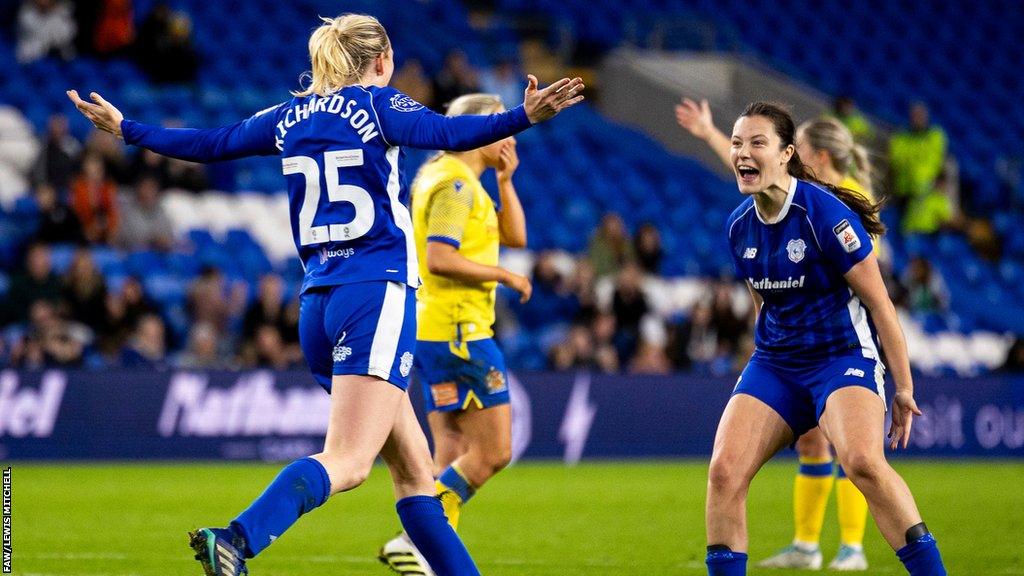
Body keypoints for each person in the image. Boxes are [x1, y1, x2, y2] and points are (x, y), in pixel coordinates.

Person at [69, 12, 583, 576]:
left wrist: (128, 129)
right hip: (375, 293)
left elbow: (209, 143)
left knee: (415, 477)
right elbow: (449, 133)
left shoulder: (289, 116)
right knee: (349, 461)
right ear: (381, 61)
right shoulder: (378, 106)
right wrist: (525, 116)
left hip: (318, 304)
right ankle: (237, 539)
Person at [690, 102, 946, 576]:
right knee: (724, 473)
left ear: (787, 154)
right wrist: (758, 365)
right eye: (736, 143)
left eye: (757, 143)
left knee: (863, 463)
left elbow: (881, 306)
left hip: (840, 357)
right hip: (776, 362)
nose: (743, 153)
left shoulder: (824, 214)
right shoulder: (738, 226)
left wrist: (904, 388)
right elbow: (762, 303)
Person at [677, 101, 877, 570]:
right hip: (793, 341)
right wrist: (712, 134)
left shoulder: (834, 202)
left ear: (813, 157)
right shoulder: (779, 198)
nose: (791, 159)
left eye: (798, 149)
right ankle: (808, 544)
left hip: (845, 333)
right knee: (810, 444)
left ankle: (853, 545)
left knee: (854, 448)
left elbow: (864, 279)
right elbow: (753, 171)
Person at [380, 93, 532, 574]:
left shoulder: (449, 177)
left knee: (448, 453)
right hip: (460, 331)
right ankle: (415, 537)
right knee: (493, 452)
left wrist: (506, 181)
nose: (507, 132)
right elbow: (440, 258)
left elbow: (516, 238)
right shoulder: (457, 186)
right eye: (497, 121)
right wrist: (503, 276)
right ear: (472, 129)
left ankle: (430, 557)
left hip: (433, 330)